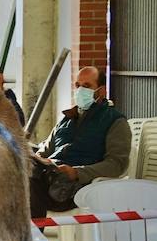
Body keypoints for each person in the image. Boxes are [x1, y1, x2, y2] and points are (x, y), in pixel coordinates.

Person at [29, 66, 130, 218]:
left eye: (87, 86)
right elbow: (44, 151)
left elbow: (117, 164)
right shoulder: (67, 119)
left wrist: (77, 172)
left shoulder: (114, 121)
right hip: (49, 177)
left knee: (28, 186)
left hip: (77, 187)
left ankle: (29, 239)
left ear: (101, 92)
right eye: (77, 85)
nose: (80, 90)